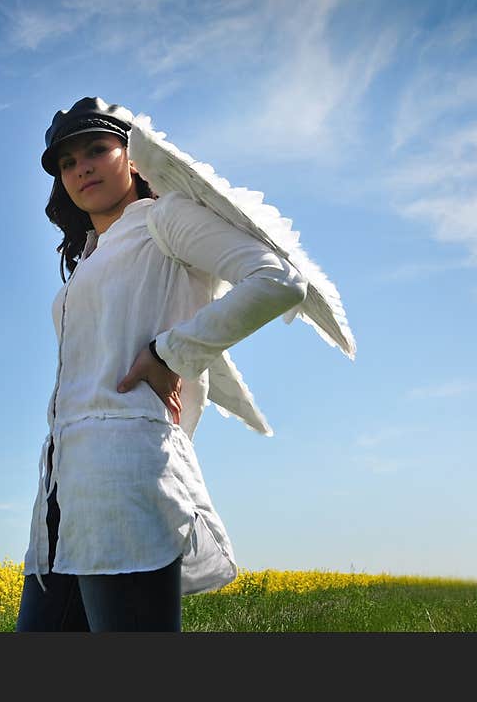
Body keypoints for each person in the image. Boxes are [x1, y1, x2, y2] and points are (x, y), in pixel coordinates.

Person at [15, 96, 309, 632]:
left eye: (96, 150)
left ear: (131, 157)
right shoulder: (86, 258)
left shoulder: (164, 220)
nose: (80, 167)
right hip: (62, 486)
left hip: (127, 474)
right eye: (67, 162)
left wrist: (169, 353)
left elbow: (278, 280)